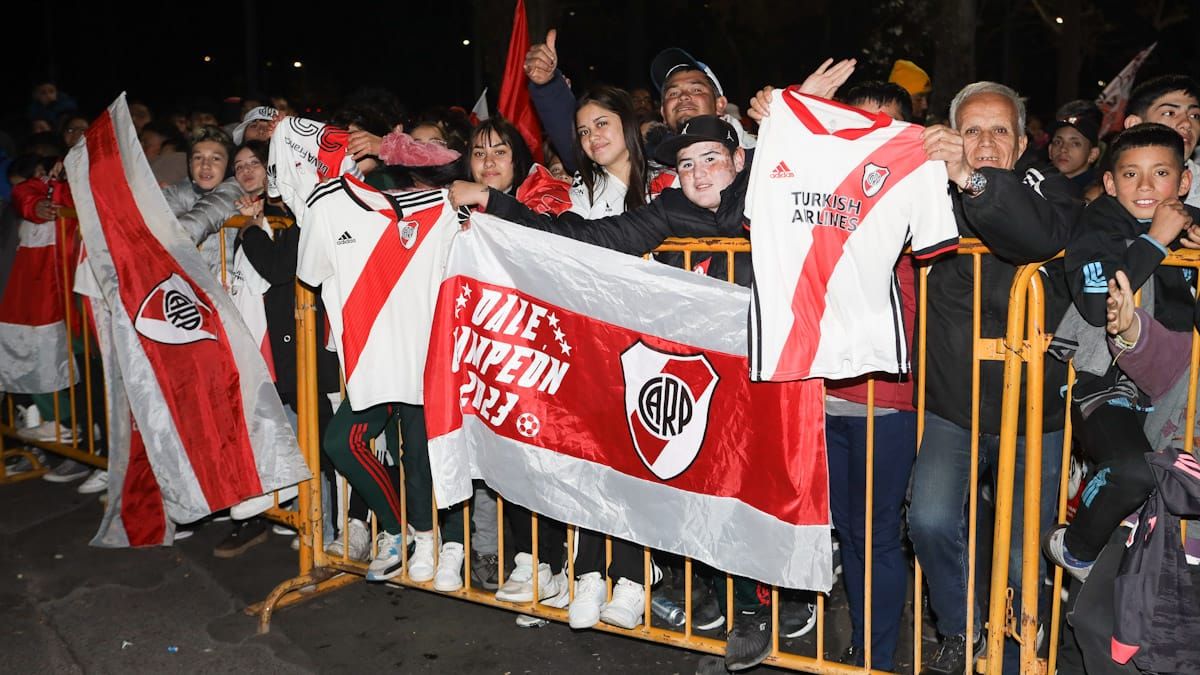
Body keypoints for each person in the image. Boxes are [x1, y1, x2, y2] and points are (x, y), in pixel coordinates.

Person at [451, 115, 776, 670]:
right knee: (707, 483)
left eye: (712, 159)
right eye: (687, 163)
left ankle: (760, 605)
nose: (698, 173)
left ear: (740, 161)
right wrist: (494, 203)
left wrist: (789, 120)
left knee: (760, 487)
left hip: (771, 369)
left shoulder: (768, 193)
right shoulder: (670, 211)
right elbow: (585, 238)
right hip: (703, 375)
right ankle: (735, 602)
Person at [913, 81, 1081, 675]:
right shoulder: (928, 183)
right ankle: (958, 626)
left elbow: (1039, 236)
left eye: (999, 130)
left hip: (1036, 406)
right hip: (953, 401)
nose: (984, 142)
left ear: (1021, 140)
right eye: (972, 130)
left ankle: (1012, 655)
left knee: (1018, 554)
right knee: (930, 519)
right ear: (953, 132)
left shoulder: (1048, 184)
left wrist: (971, 179)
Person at [1045, 123, 1198, 582]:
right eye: (1131, 175)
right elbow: (1097, 307)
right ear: (1110, 183)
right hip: (1107, 383)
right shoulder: (1098, 224)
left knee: (1167, 497)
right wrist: (1154, 242)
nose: (1147, 186)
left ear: (1184, 180)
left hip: (1178, 393)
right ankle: (1074, 546)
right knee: (1135, 472)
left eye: (1161, 173)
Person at [161, 125, 242, 277]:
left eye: (215, 158)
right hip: (190, 288)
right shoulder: (178, 191)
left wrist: (151, 248)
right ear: (190, 164)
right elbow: (159, 220)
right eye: (198, 158)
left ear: (228, 165)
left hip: (227, 289)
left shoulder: (233, 190)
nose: (205, 165)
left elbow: (197, 223)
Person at [1122, 74, 1200, 207]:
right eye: (1170, 113)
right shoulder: (1110, 195)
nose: (1187, 124)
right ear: (1134, 124)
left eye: (1195, 115)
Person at [1048, 115, 1102, 198]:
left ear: (1092, 154)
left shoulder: (1096, 195)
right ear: (1050, 149)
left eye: (1075, 144)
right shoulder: (1038, 183)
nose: (1063, 149)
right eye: (1058, 142)